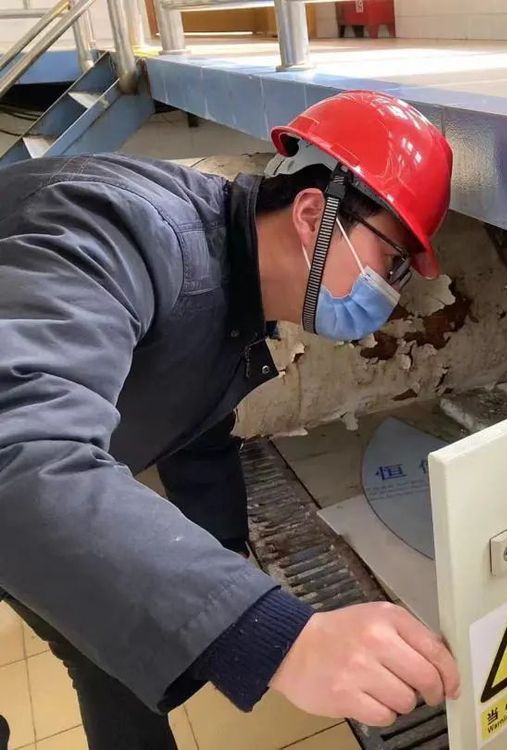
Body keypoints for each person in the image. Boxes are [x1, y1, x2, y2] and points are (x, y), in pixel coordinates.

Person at [0, 91, 460, 749]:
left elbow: (189, 429)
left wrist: (224, 568)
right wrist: (275, 636)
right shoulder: (122, 230)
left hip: (24, 508)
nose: (389, 292)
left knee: (117, 658)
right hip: (16, 489)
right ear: (313, 214)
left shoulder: (228, 290)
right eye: (390, 262)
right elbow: (18, 450)